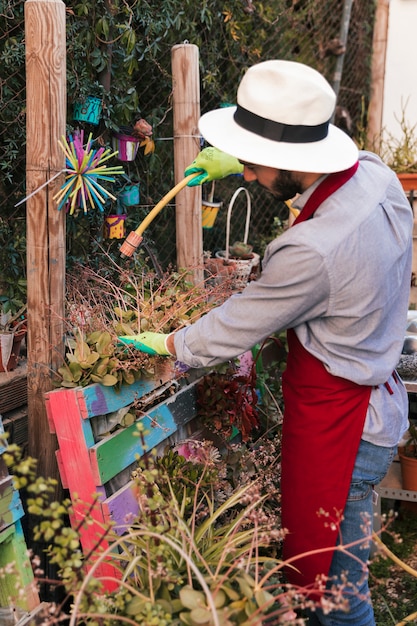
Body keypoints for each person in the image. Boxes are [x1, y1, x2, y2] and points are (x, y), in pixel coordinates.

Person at [119, 60, 413, 625]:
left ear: (291, 160)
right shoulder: (375, 175)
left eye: (251, 163)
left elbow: (234, 326)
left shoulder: (312, 250)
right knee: (325, 584)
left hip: (345, 429)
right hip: (376, 398)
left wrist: (172, 342)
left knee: (336, 603)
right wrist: (248, 159)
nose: (247, 176)